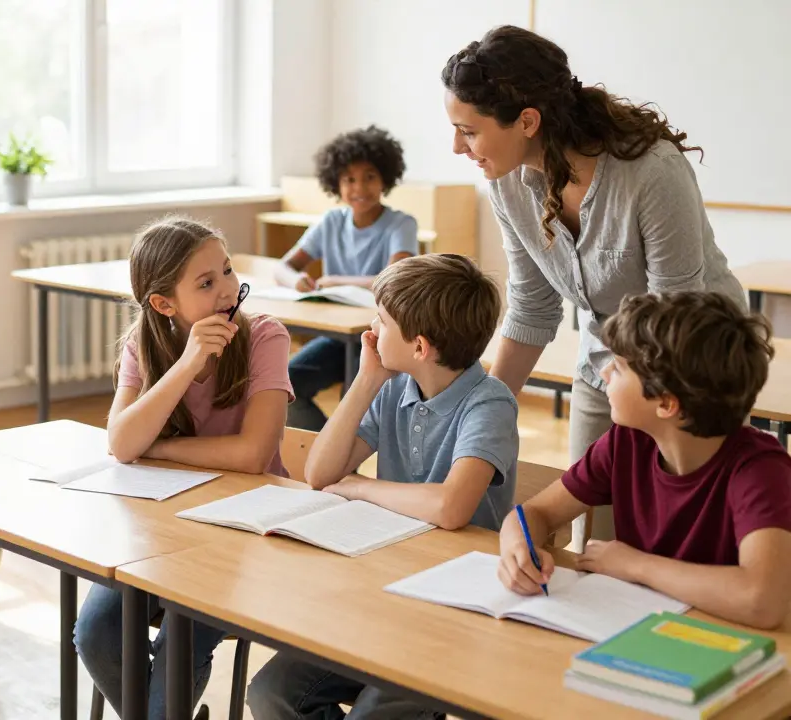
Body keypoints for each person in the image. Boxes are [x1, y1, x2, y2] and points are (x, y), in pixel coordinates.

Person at [442, 25, 746, 543]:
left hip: (695, 360)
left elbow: (675, 313)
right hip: (607, 355)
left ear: (528, 121)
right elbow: (533, 309)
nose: (456, 147)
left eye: (469, 131)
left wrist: (633, 405)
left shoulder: (650, 172)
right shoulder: (509, 184)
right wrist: (483, 410)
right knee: (593, 534)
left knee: (674, 534)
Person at [248, 253, 517, 720]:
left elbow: (452, 507)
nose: (371, 329)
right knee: (270, 693)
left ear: (419, 347)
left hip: (452, 613)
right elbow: (321, 474)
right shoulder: (395, 385)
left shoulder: (489, 404)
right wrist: (368, 378)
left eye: (383, 321)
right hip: (382, 591)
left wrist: (361, 488)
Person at [77, 216, 294, 718]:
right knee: (95, 632)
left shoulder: (265, 337)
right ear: (163, 304)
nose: (227, 289)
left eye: (226, 271)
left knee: (181, 638)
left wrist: (158, 446)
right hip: (162, 527)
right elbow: (122, 441)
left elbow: (252, 455)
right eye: (205, 282)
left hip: (246, 529)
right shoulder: (143, 345)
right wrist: (186, 365)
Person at [500, 291, 791, 631]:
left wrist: (636, 565)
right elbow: (536, 513)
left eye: (620, 367)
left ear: (666, 404)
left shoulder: (761, 470)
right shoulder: (627, 442)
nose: (606, 373)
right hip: (639, 627)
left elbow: (761, 601)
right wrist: (518, 547)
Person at [275, 126, 419, 431]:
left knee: (356, 402)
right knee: (286, 387)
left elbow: (395, 278)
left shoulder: (401, 224)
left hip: (382, 340)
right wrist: (296, 279)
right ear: (335, 183)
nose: (359, 188)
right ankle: (327, 453)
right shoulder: (331, 221)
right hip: (338, 336)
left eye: (369, 176)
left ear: (385, 179)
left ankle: (342, 462)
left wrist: (337, 280)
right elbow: (283, 267)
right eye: (349, 179)